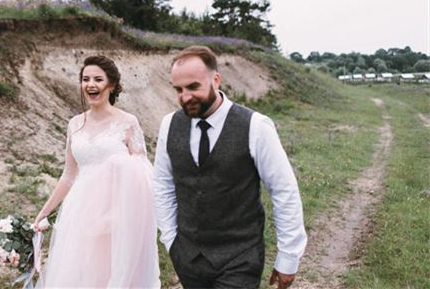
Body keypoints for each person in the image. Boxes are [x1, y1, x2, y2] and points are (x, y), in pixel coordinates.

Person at [154, 46, 307, 289]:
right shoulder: (169, 125)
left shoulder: (256, 126)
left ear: (216, 80)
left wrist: (289, 256)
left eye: (193, 87)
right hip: (188, 257)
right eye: (178, 90)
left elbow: (283, 190)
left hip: (240, 257)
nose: (185, 97)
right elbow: (163, 184)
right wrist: (171, 239)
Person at [33, 55, 160, 288]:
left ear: (111, 85)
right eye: (85, 79)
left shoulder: (128, 122)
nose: (90, 85)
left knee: (114, 272)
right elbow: (69, 175)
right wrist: (44, 212)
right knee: (81, 274)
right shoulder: (75, 124)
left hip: (117, 215)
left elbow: (144, 175)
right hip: (80, 213)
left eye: (98, 79)